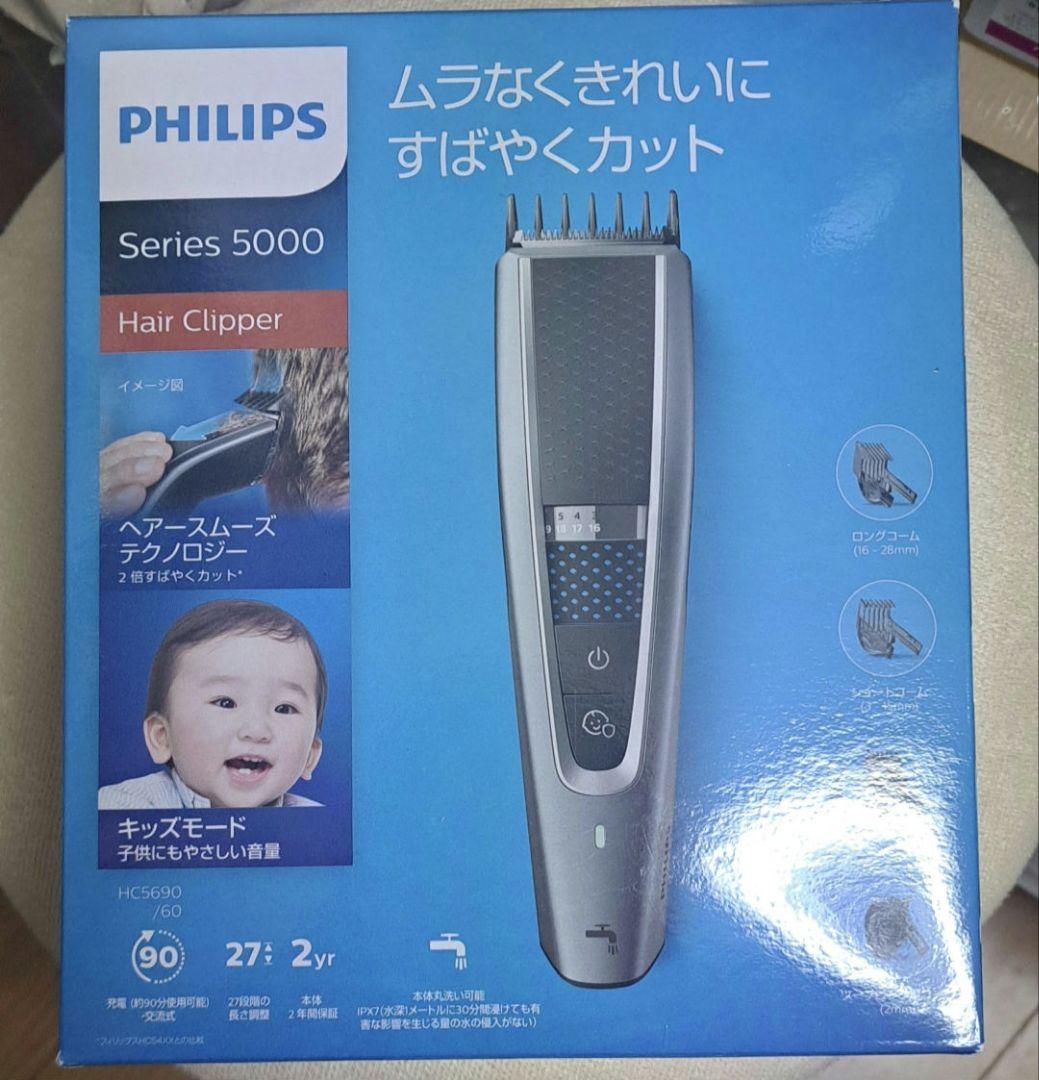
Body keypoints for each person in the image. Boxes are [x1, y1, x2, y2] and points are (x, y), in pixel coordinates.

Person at [98, 599, 326, 809]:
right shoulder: (128, 805)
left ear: (310, 755)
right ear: (162, 737)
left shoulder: (315, 823)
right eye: (226, 703)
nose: (256, 731)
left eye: (284, 708)